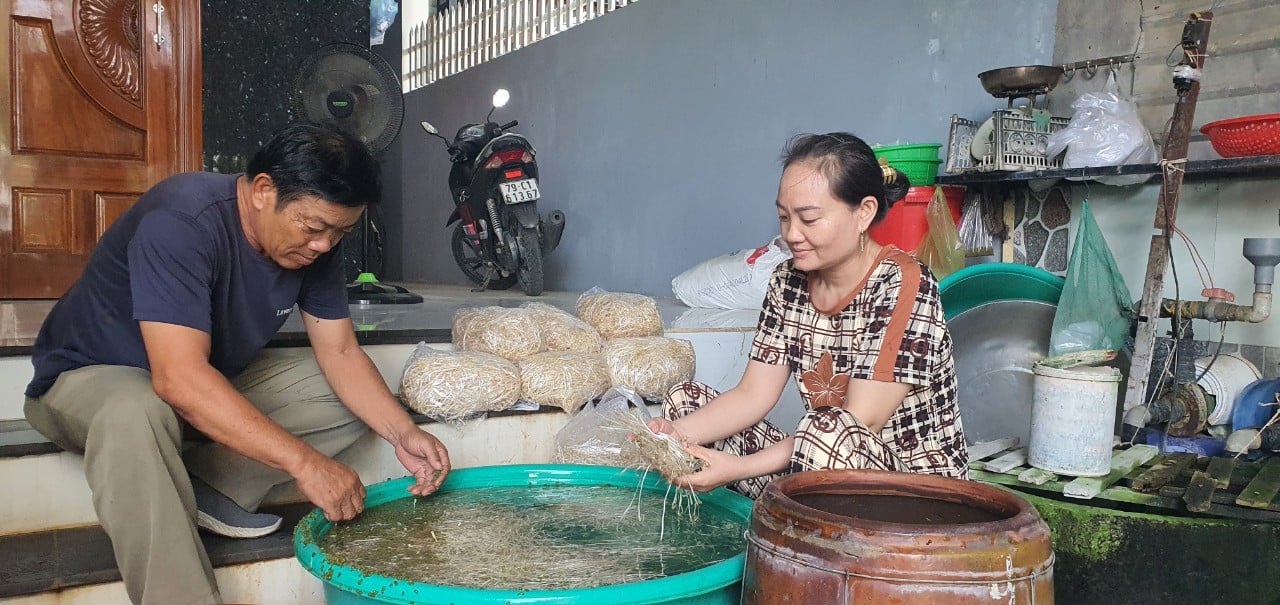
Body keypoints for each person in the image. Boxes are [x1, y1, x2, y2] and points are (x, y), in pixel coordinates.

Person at [23, 123, 451, 605]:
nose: (324, 246)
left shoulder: (316, 244)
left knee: (346, 393)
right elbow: (178, 379)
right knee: (137, 410)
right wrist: (305, 464)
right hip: (87, 378)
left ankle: (210, 487)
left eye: (340, 232)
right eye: (312, 228)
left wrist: (402, 433)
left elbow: (341, 353)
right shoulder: (183, 221)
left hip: (198, 382)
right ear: (264, 190)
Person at [649, 132, 966, 498]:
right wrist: (673, 435)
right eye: (784, 218)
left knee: (824, 429)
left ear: (863, 212)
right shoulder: (787, 281)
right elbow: (752, 394)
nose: (792, 235)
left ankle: (802, 541)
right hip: (823, 462)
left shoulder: (905, 283)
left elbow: (862, 420)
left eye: (809, 219)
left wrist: (739, 469)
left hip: (917, 493)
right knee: (685, 405)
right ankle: (768, 529)